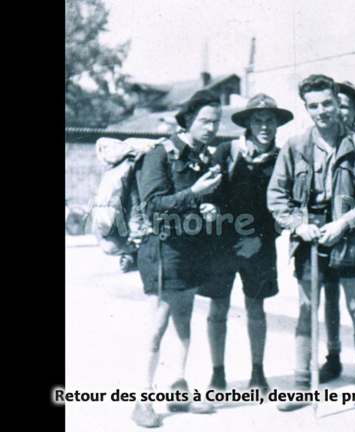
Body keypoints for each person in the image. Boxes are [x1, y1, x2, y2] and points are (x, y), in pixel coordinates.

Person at [267, 74, 355, 412]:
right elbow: (277, 198)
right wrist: (298, 225)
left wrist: (345, 223)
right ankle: (301, 386)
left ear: (339, 104)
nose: (322, 111)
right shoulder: (295, 146)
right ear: (307, 108)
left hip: (351, 234)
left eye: (327, 103)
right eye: (314, 105)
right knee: (307, 311)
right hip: (310, 235)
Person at [131, 90, 223, 427]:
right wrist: (195, 194)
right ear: (188, 120)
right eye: (205, 121)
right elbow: (153, 205)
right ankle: (142, 399)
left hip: (190, 248)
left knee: (183, 318)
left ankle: (178, 388)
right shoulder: (161, 154)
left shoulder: (202, 157)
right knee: (158, 324)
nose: (212, 127)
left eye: (216, 121)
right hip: (163, 249)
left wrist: (208, 207)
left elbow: (194, 202)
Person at [197, 93, 293, 394]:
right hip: (221, 246)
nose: (264, 126)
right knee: (218, 309)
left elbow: (286, 209)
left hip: (259, 247)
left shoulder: (282, 159)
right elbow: (208, 195)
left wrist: (261, 239)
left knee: (256, 310)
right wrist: (210, 210)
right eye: (258, 120)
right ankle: (218, 374)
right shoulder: (226, 152)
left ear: (277, 124)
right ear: (248, 123)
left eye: (270, 120)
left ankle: (257, 373)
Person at [316, 80, 355, 383]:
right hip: (323, 231)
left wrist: (346, 222)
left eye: (345, 107)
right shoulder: (320, 141)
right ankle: (333, 356)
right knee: (329, 296)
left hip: (354, 232)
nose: (338, 111)